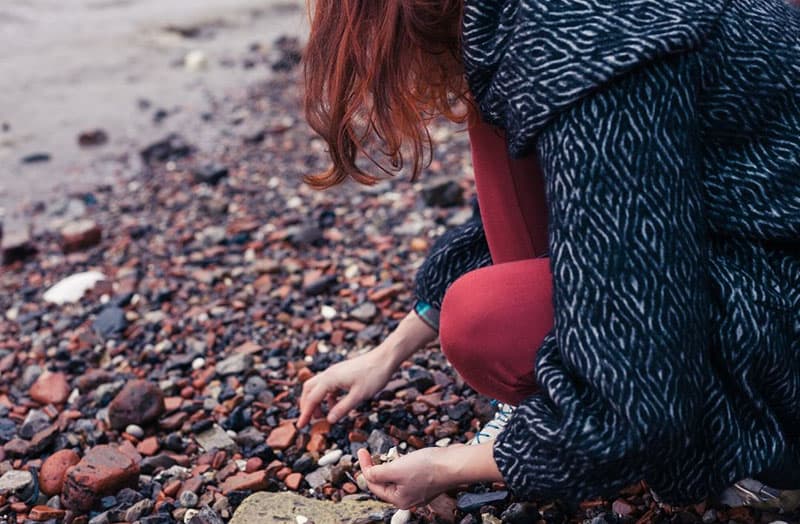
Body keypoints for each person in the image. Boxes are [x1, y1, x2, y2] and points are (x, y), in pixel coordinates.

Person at [296, 0, 800, 512]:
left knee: (483, 320)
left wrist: (458, 464)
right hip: (749, 243)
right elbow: (583, 203)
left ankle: (751, 461)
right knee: (493, 109)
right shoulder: (531, 20)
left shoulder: (595, 36)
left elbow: (642, 396)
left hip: (785, 352)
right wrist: (389, 353)